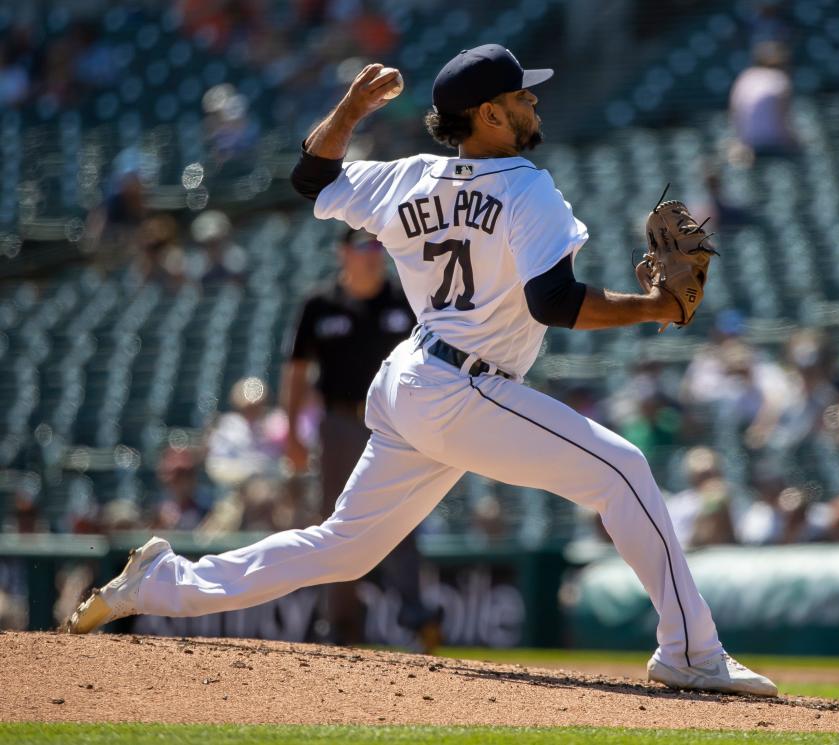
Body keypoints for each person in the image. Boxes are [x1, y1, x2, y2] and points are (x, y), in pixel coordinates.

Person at [66, 44, 777, 697]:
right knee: (621, 470)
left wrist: (349, 109)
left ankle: (162, 583)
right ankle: (690, 648)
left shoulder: (405, 177)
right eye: (522, 98)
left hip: (414, 379)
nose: (535, 104)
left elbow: (310, 177)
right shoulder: (527, 187)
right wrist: (657, 307)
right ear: (490, 114)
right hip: (462, 387)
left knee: (344, 547)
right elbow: (552, 302)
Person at [282, 227, 439, 648]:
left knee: (402, 517)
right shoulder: (319, 304)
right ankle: (340, 625)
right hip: (339, 425)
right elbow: (296, 372)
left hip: (396, 425)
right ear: (342, 253)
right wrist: (292, 432)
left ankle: (414, 618)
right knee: (336, 521)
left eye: (377, 245)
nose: (372, 254)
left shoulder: (403, 300)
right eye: (363, 246)